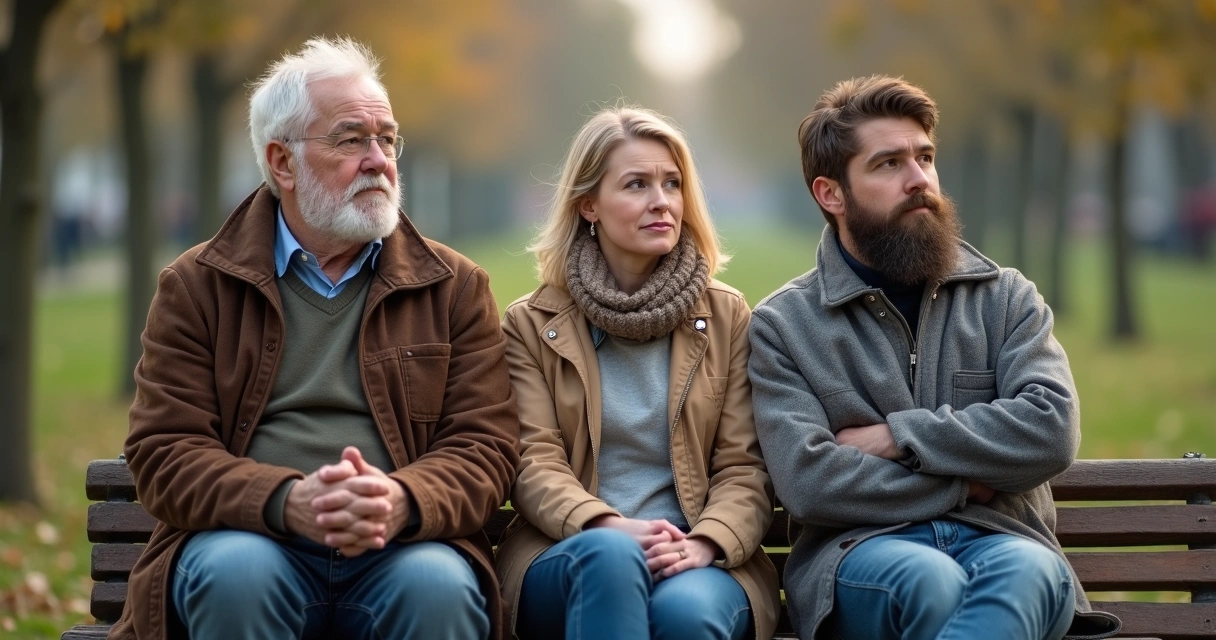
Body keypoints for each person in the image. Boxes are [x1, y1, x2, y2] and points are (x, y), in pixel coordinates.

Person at [110, 37, 519, 640]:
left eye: (388, 139)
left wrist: (401, 499)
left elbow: (485, 448)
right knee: (234, 575)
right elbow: (165, 452)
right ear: (282, 163)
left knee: (440, 586)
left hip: (402, 548)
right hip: (252, 540)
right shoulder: (198, 286)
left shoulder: (452, 287)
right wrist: (285, 500)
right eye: (352, 138)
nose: (379, 159)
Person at [748, 75, 1122, 640]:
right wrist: (961, 484)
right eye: (889, 164)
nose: (919, 180)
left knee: (1034, 572)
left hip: (1007, 539)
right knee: (929, 580)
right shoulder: (784, 326)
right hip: (861, 553)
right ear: (831, 194)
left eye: (925, 158)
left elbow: (1049, 430)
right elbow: (810, 481)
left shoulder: (1006, 297)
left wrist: (898, 437)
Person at [494, 105, 780, 640]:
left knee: (687, 616)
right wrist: (608, 527)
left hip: (697, 551)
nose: (661, 202)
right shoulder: (530, 324)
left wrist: (706, 543)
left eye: (672, 184)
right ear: (588, 206)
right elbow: (534, 462)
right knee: (609, 560)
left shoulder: (726, 316)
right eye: (636, 184)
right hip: (570, 548)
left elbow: (744, 466)